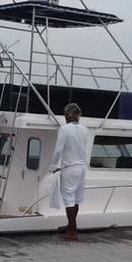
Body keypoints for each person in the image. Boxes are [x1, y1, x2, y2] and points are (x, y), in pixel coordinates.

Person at [50, 103, 88, 240]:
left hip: (70, 167)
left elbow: (58, 150)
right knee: (76, 197)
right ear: (79, 115)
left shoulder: (64, 129)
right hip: (82, 167)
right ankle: (71, 226)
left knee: (68, 198)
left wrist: (53, 166)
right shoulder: (85, 129)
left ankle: (73, 230)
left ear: (67, 116)